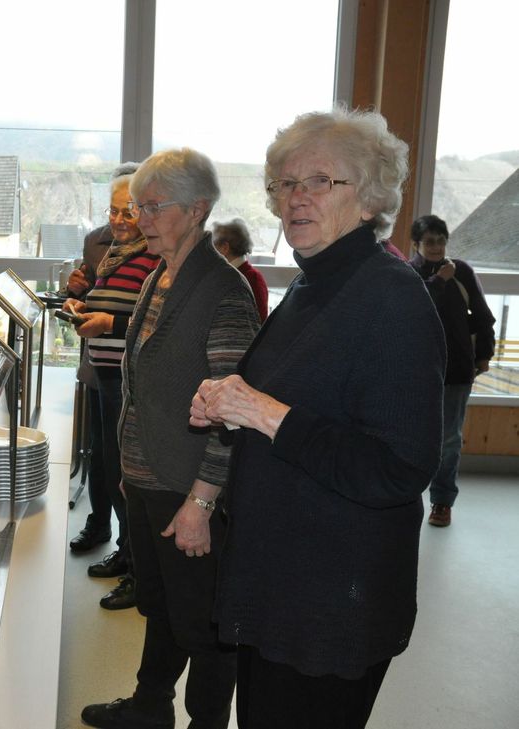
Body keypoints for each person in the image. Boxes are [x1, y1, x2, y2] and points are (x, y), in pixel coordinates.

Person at [191, 108, 446, 729]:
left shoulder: (390, 296)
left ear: (369, 201)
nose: (294, 199)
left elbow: (399, 467)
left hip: (332, 596)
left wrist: (266, 413)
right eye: (284, 184)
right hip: (282, 579)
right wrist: (231, 404)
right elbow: (296, 397)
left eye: (320, 182)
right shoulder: (317, 284)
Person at [82, 148, 259, 729]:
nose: (141, 219)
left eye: (154, 207)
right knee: (159, 606)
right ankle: (150, 705)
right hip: (146, 475)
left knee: (204, 625)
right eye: (138, 206)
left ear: (198, 208)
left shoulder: (224, 291)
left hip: (184, 484)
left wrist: (201, 503)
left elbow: (234, 415)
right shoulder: (161, 272)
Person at [65, 163, 160, 611]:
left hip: (130, 384)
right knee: (112, 471)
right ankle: (127, 555)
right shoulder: (114, 256)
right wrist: (81, 304)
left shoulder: (155, 258)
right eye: (114, 212)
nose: (119, 221)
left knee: (128, 480)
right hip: (106, 378)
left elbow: (153, 324)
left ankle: (142, 576)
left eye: (129, 212)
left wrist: (109, 321)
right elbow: (110, 302)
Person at [409, 214, 496, 527]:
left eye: (441, 240)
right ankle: (405, 497)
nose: (436, 247)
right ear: (416, 244)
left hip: (457, 369)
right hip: (416, 370)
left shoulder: (463, 271)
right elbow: (414, 310)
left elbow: (483, 316)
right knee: (411, 435)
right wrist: (440, 280)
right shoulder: (408, 273)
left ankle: (442, 501)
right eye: (429, 241)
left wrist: (485, 353)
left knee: (449, 440)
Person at [213, 218, 269, 322]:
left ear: (225, 248)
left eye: (213, 246)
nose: (210, 252)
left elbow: (258, 322)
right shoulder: (239, 275)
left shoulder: (251, 278)